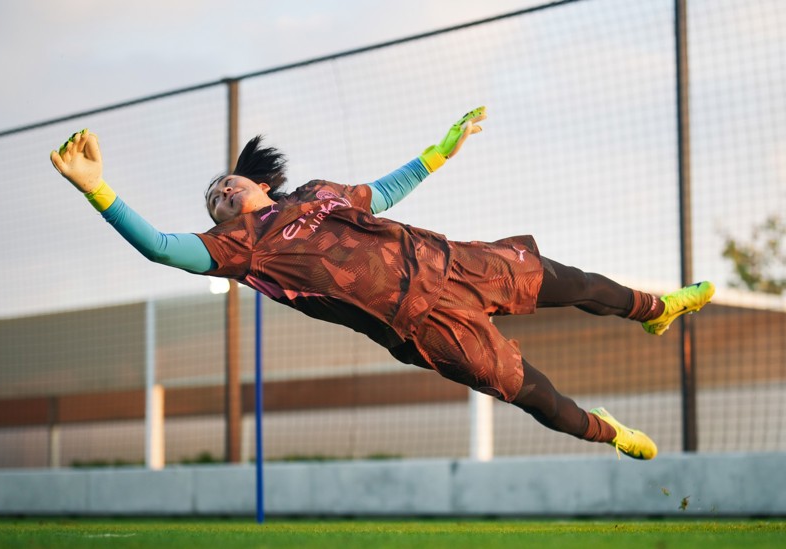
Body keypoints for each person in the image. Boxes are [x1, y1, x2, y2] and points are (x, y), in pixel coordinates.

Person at [50, 107, 715, 460]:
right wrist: (97, 190)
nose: (222, 192)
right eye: (213, 201)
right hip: (422, 323)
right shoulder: (240, 252)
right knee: (530, 389)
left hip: (448, 261)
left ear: (256, 180)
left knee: (563, 279)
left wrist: (440, 148)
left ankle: (657, 308)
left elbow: (381, 191)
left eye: (226, 182)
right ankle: (607, 431)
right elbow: (160, 247)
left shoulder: (318, 194)